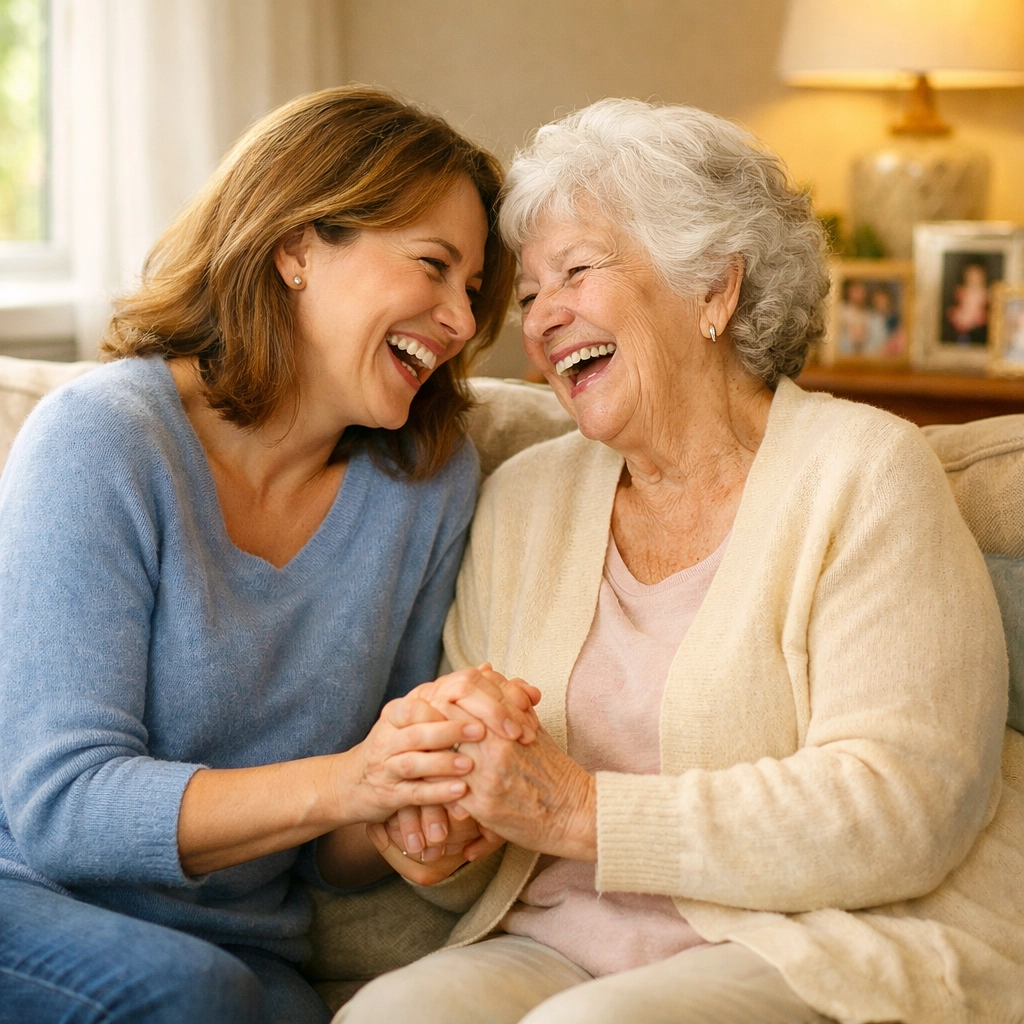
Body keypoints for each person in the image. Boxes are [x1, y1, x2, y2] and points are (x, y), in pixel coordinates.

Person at [342, 100, 1023, 1024]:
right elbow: (482, 802)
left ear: (714, 288)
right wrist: (447, 827)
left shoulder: (863, 473)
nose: (542, 320)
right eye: (532, 294)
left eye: (576, 271)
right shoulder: (524, 499)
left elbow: (902, 805)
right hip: (559, 941)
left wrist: (584, 812)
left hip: (813, 938)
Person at [0, 86, 536, 1024]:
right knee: (195, 995)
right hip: (35, 905)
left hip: (244, 955)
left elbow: (332, 850)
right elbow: (62, 809)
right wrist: (351, 778)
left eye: (475, 291)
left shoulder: (424, 488)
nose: (459, 320)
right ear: (296, 247)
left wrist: (420, 792)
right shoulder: (106, 440)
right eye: (433, 265)